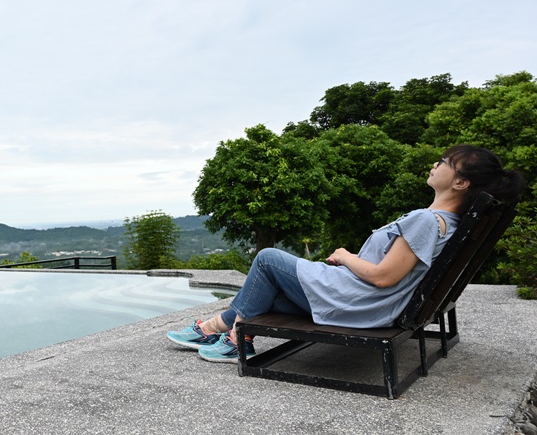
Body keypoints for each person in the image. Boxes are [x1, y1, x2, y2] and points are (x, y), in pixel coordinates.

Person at [167, 144, 526, 363]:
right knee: (270, 290)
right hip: (364, 303)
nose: (437, 163)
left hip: (358, 301)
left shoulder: (426, 220)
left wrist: (345, 255)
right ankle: (230, 333)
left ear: (460, 182)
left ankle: (221, 331)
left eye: (446, 161)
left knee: (268, 259)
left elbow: (385, 276)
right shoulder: (445, 222)